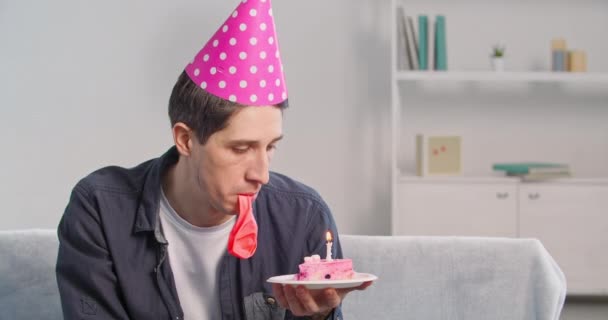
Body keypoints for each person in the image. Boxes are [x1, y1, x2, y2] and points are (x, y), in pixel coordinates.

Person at [55, 0, 370, 319]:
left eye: (270, 147)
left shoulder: (304, 218)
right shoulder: (99, 211)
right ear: (186, 139)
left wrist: (317, 317)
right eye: (241, 148)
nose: (261, 174)